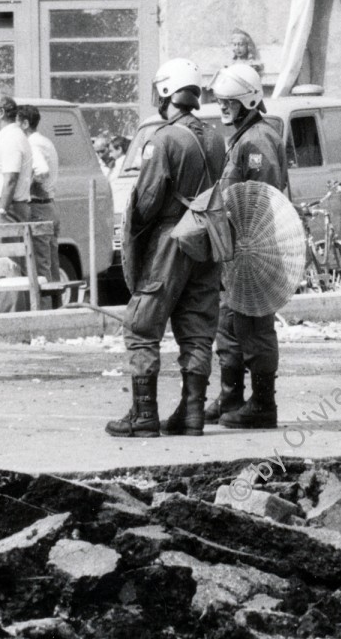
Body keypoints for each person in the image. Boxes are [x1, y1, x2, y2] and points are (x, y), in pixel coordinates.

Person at [109, 58, 226, 438]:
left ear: (164, 92)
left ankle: (143, 415)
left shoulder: (162, 139)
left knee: (142, 324)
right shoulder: (214, 136)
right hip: (206, 236)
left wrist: (138, 240)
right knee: (197, 327)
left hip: (169, 239)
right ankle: (192, 414)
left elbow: (146, 200)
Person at [206, 62, 292, 429]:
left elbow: (262, 196)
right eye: (220, 100)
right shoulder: (244, 137)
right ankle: (230, 396)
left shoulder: (257, 140)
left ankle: (262, 403)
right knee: (230, 323)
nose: (223, 107)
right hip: (236, 248)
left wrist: (247, 242)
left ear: (249, 101)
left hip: (255, 247)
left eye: (230, 102)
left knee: (254, 326)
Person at [17, 103, 61, 279]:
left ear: (25, 123)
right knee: (51, 262)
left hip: (38, 207)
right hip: (49, 206)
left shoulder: (31, 143)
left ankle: (45, 306)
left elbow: (42, 171)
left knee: (40, 265)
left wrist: (27, 186)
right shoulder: (45, 141)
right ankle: (56, 304)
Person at [0, 95, 33, 225]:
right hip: (9, 207)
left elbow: (11, 179)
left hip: (8, 209)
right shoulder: (10, 137)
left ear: (1, 112)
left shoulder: (11, 139)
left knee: (2, 246)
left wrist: (1, 211)